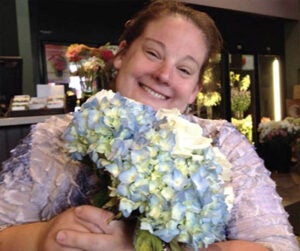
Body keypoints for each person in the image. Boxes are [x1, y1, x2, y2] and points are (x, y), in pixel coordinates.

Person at [0, 0, 299, 250]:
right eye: (153, 53)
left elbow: (275, 245)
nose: (164, 75)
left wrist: (150, 246)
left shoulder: (222, 143)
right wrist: (42, 237)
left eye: (184, 69)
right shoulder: (52, 137)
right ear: (122, 54)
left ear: (194, 90)